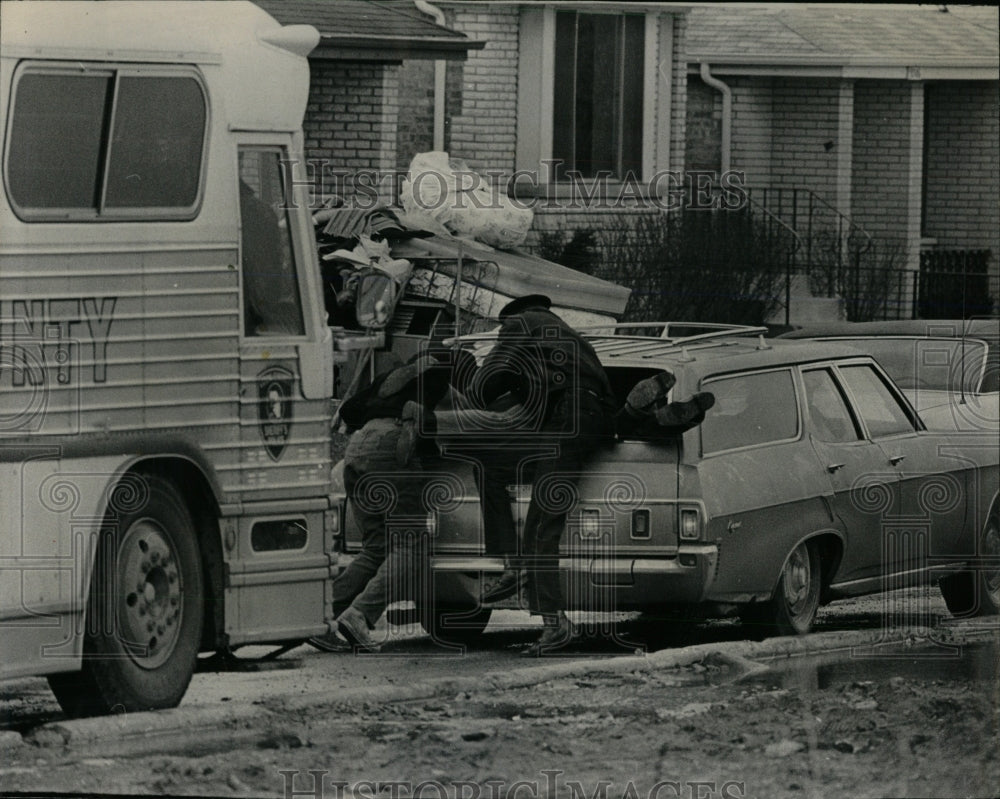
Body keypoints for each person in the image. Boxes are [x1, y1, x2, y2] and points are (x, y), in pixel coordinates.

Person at [471, 294, 618, 655]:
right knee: (490, 464)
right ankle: (512, 564)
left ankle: (555, 624)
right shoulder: (564, 338)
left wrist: (469, 399)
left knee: (541, 521)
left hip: (570, 418)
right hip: (583, 418)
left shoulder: (521, 324)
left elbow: (491, 377)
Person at [310, 353, 452, 652]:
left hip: (358, 447)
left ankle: (320, 618)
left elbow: (348, 409)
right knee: (411, 544)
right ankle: (360, 616)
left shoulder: (391, 378)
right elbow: (451, 419)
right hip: (392, 446)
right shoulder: (441, 378)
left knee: (376, 546)